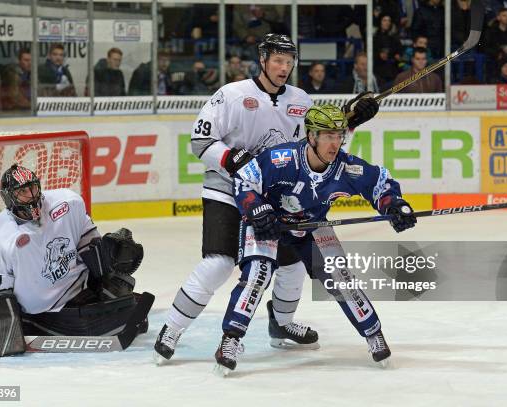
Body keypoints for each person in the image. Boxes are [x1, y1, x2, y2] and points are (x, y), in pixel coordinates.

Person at [153, 33, 379, 364]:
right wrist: (234, 159)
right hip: (228, 190)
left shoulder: (301, 100)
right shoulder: (231, 95)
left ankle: (282, 324)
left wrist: (350, 123)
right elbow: (201, 140)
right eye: (277, 61)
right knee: (219, 262)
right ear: (262, 61)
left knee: (291, 264)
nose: (284, 68)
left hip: (277, 198)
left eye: (289, 62)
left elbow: (317, 150)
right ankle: (172, 327)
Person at [213, 104, 415, 374]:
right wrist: (255, 209)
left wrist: (394, 205)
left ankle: (372, 333)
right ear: (311, 136)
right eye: (328, 135)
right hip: (269, 225)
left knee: (341, 278)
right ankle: (231, 339)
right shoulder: (280, 159)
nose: (335, 143)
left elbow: (380, 183)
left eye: (339, 135)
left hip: (311, 226)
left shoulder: (346, 167)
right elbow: (245, 180)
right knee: (257, 275)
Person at [0, 164, 148, 356]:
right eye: (22, 191)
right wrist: (4, 325)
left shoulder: (67, 202)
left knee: (119, 283)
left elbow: (87, 236)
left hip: (79, 287)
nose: (31, 194)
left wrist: (106, 260)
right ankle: (31, 323)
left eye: (33, 187)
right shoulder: (6, 233)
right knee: (102, 322)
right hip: (44, 310)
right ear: (9, 197)